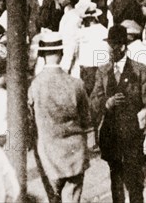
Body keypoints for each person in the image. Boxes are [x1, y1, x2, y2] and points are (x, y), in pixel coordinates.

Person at [90, 25, 146, 203]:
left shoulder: (140, 70)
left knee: (135, 183)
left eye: (112, 46)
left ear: (121, 47)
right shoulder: (103, 71)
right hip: (111, 136)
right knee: (116, 181)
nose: (108, 50)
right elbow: (93, 102)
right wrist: (107, 103)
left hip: (133, 135)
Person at [28, 32, 92, 203]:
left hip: (49, 153)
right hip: (75, 152)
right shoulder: (76, 84)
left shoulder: (35, 85)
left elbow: (30, 119)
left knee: (53, 198)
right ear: (62, 54)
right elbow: (87, 120)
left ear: (41, 55)